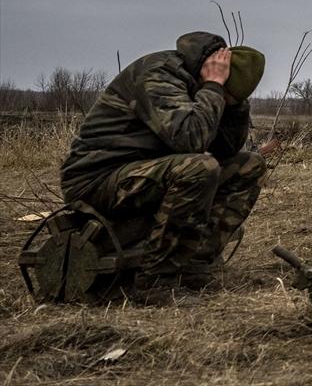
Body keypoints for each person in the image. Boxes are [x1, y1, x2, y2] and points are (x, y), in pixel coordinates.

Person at [60, 32, 266, 291]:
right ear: (208, 72)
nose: (221, 103)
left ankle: (193, 266)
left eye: (228, 102)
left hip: (141, 173)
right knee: (198, 168)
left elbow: (225, 149)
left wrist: (234, 109)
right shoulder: (160, 74)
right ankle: (157, 279)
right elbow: (190, 139)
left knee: (248, 165)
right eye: (224, 98)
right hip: (97, 179)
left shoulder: (199, 84)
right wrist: (214, 88)